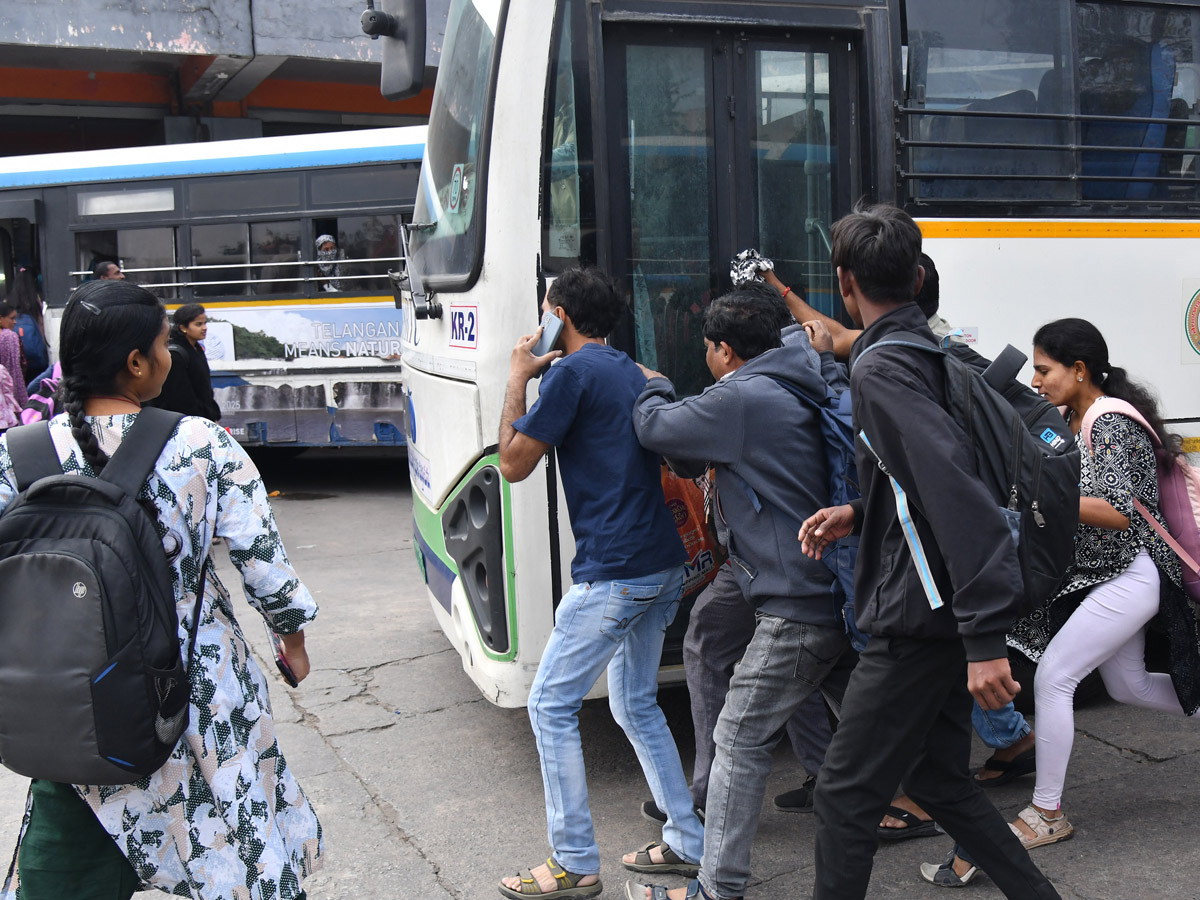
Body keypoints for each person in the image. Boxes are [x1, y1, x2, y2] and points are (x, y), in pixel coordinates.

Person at [0, 279, 321, 900]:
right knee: (235, 841)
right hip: (195, 685)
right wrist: (293, 644)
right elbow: (263, 565)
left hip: (75, 694)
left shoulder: (17, 454)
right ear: (137, 363)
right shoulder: (201, 444)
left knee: (67, 856)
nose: (169, 356)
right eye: (162, 344)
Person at [801, 203, 1060, 900]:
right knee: (939, 780)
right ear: (917, 278)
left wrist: (984, 639)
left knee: (843, 794)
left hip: (918, 616)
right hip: (942, 605)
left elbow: (954, 492)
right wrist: (861, 513)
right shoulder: (929, 350)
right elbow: (928, 479)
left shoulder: (880, 370)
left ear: (844, 283)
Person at [628, 287, 858, 900]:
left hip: (797, 603)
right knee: (875, 738)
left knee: (738, 738)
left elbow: (655, 427)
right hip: (830, 589)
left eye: (707, 348)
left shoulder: (743, 396)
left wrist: (652, 383)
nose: (707, 357)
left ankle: (718, 887)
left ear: (724, 351)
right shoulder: (800, 375)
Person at [497, 267, 701, 900]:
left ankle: (574, 861)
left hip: (615, 570)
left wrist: (517, 376)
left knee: (548, 705)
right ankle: (687, 841)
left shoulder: (569, 375)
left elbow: (512, 464)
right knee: (634, 703)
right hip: (662, 565)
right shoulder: (629, 369)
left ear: (558, 315)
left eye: (545, 309)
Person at [1003, 318, 1198, 850]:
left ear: (1079, 369)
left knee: (1054, 679)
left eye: (1044, 369)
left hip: (1132, 572)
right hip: (1112, 574)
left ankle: (1046, 813)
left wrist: (1036, 497)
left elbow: (1117, 512)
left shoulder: (1110, 422)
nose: (1036, 381)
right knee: (1128, 686)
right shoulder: (1075, 417)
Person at [147, 303, 221, 421]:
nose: (204, 328)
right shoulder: (176, 354)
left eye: (205, 323)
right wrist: (203, 421)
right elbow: (182, 399)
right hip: (188, 421)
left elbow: (204, 390)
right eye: (198, 324)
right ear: (183, 328)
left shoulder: (196, 349)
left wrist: (213, 416)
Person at [10, 269, 49, 382]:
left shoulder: (11, 301)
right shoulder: (35, 301)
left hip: (19, 360)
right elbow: (41, 327)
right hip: (37, 362)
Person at [0, 303, 28, 411]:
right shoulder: (10, 337)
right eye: (12, 318)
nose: (15, 322)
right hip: (11, 397)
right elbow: (20, 368)